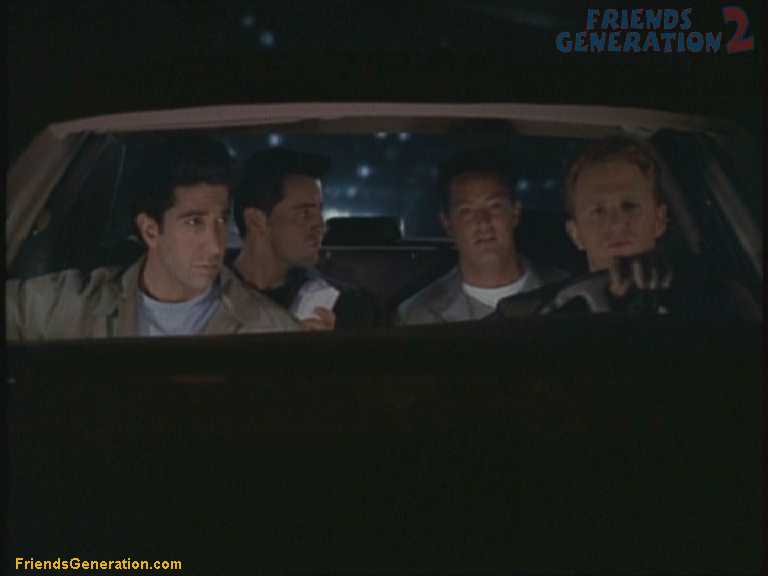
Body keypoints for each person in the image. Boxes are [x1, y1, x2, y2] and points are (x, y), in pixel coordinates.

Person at [6, 136, 299, 341]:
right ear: (150, 230)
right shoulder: (76, 306)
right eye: (194, 222)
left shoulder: (271, 329)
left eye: (221, 220)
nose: (215, 246)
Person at [496, 136, 759, 318]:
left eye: (630, 206)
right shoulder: (527, 315)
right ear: (575, 234)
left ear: (659, 220)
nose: (616, 222)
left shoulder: (719, 303)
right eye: (598, 211)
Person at [396, 150, 568, 325]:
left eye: (494, 206)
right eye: (467, 211)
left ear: (515, 212)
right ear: (447, 223)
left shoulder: (567, 295)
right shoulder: (419, 316)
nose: (483, 222)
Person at [232, 147, 379, 330]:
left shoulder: (347, 306)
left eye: (320, 211)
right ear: (256, 221)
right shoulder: (207, 300)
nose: (321, 225)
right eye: (304, 214)